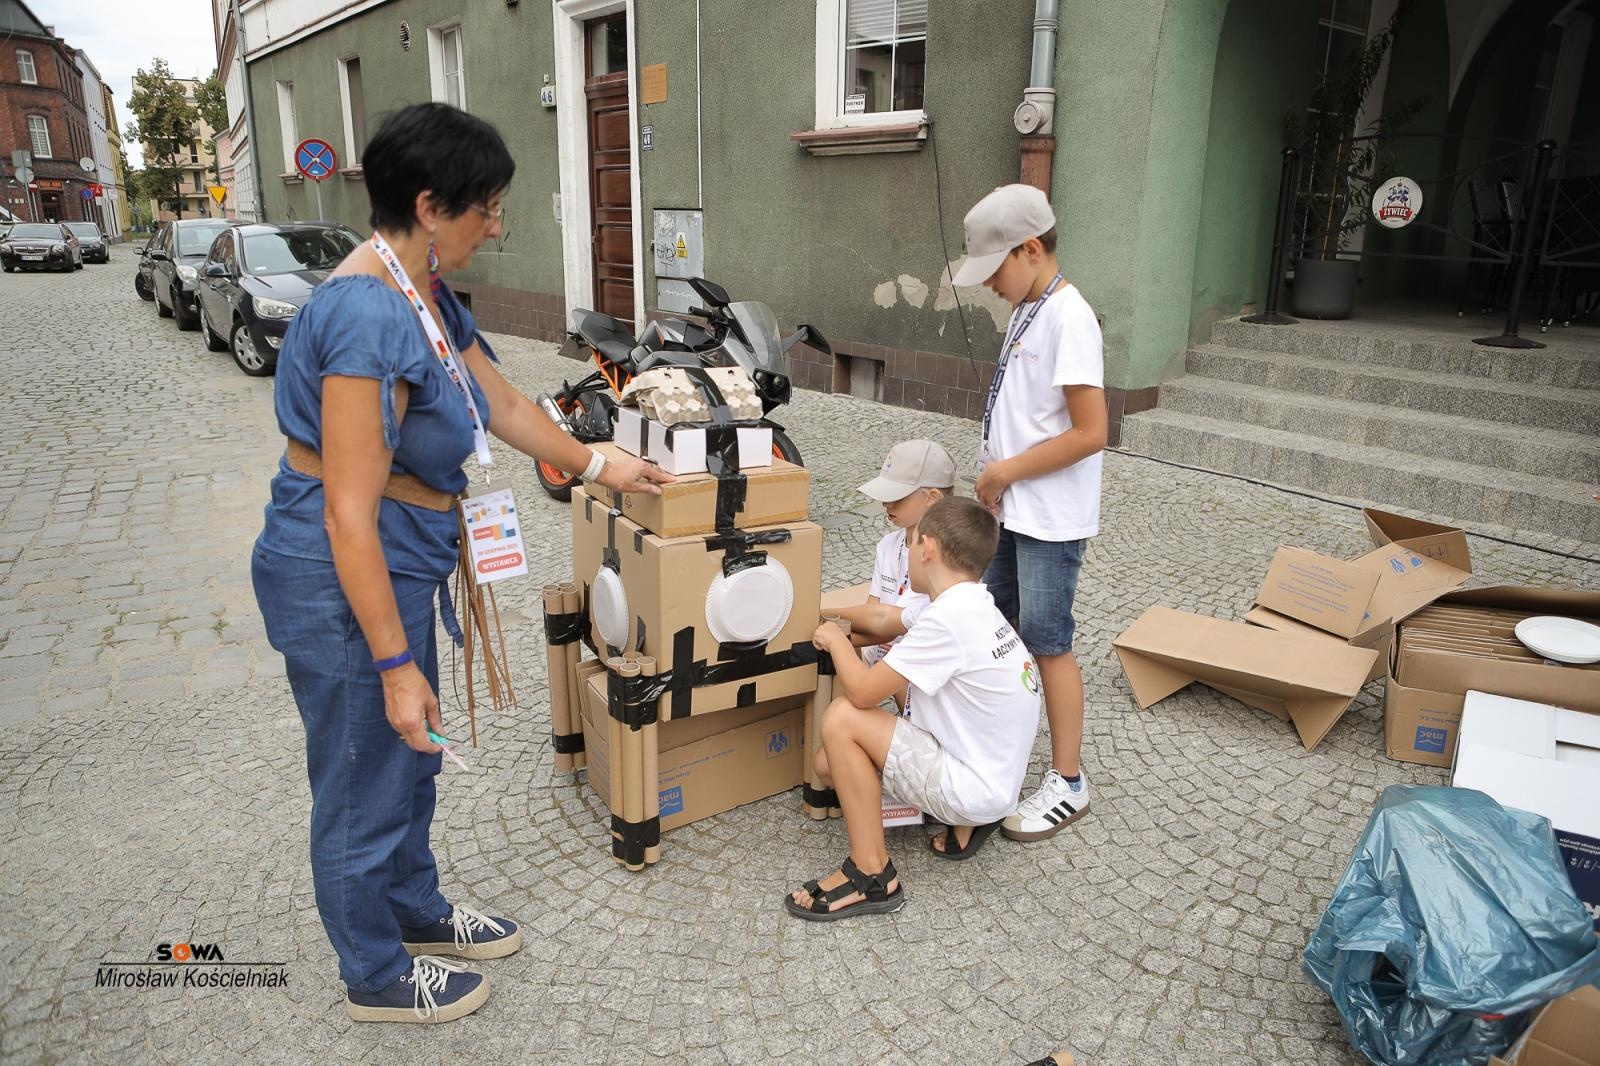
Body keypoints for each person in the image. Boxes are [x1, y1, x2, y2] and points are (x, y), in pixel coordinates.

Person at [251, 103, 670, 1024]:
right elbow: (346, 514)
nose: (498, 222)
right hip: (344, 573)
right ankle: (373, 973)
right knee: (366, 770)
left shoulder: (423, 288)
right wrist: (396, 666)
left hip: (404, 560)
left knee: (410, 763)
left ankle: (415, 909)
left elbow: (505, 403)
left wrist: (602, 463)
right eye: (487, 206)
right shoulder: (366, 314)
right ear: (431, 205)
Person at [786, 497, 1041, 921]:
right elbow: (885, 618)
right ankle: (967, 822)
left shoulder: (948, 621)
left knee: (843, 720)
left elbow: (865, 692)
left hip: (973, 786)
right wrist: (819, 613)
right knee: (829, 765)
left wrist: (833, 641)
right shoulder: (967, 601)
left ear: (926, 549)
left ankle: (872, 875)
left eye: (910, 543)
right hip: (994, 779)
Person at [950, 184, 1107, 843]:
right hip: (1016, 510)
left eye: (994, 271)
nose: (988, 285)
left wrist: (1008, 469)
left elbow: (1091, 430)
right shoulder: (1030, 307)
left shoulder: (1070, 318)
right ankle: (996, 744)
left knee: (1049, 642)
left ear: (1031, 250)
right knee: (998, 625)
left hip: (1048, 519)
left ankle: (1069, 782)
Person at [832, 439, 956, 669]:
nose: (885, 503)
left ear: (932, 498)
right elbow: (872, 614)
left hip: (918, 665)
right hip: (886, 659)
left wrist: (827, 626)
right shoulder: (888, 545)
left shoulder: (946, 559)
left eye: (897, 496)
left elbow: (882, 622)